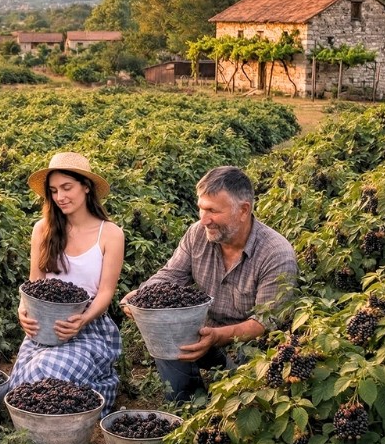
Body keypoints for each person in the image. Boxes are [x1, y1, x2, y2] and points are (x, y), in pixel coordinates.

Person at [124, 166, 297, 403]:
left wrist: (217, 337)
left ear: (243, 210)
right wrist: (140, 296)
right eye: (201, 209)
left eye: (212, 211)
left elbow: (264, 324)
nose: (204, 220)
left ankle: (229, 400)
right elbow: (170, 276)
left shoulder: (275, 253)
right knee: (163, 331)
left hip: (249, 344)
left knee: (249, 385)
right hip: (202, 333)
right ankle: (185, 401)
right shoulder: (197, 235)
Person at [8, 153, 124, 415]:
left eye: (67, 187)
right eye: (54, 191)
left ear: (86, 186)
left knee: (49, 372)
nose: (60, 197)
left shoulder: (110, 234)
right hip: (45, 326)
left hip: (89, 326)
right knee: (23, 386)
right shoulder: (43, 229)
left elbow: (105, 293)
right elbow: (34, 283)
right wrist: (22, 310)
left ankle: (93, 391)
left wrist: (81, 321)